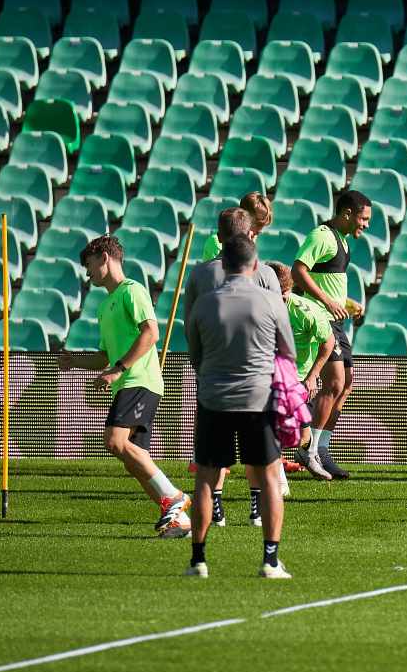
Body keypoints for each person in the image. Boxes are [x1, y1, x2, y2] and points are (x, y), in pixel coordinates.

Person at [58, 235, 191, 538]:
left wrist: (118, 370)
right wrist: (74, 361)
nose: (87, 273)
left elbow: (151, 333)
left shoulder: (132, 290)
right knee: (134, 461)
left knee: (114, 442)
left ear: (104, 258)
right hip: (128, 382)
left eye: (89, 264)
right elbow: (105, 356)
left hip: (140, 380)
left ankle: (175, 497)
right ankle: (180, 521)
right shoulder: (104, 305)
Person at [185, 235, 296, 579]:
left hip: (213, 399)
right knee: (269, 477)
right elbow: (288, 353)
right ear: (255, 264)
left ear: (223, 264)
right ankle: (270, 560)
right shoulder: (271, 301)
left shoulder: (204, 303)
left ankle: (198, 560)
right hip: (258, 400)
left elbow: (195, 356)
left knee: (206, 478)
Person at [183, 205, 284, 525]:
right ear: (251, 234)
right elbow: (279, 326)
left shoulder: (200, 274)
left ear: (219, 235)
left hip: (213, 375)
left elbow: (190, 326)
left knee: (213, 455)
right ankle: (256, 507)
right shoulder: (265, 273)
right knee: (259, 451)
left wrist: (200, 365)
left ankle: (215, 507)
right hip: (257, 378)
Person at [291, 190, 371, 480]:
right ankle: (308, 450)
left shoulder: (343, 241)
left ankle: (322, 449)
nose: (366, 225)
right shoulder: (322, 236)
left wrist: (346, 304)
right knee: (335, 382)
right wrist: (327, 301)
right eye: (363, 219)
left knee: (346, 383)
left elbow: (326, 282)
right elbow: (298, 271)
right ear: (347, 213)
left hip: (336, 322)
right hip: (320, 321)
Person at [269, 261, 334, 481]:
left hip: (298, 377)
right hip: (267, 375)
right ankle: (275, 478)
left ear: (288, 290)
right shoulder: (256, 306)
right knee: (269, 427)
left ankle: (306, 453)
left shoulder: (306, 311)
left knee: (301, 434)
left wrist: (313, 376)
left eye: (282, 296)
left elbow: (328, 342)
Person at [200, 191, 274, 261]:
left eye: (264, 224)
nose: (260, 230)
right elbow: (214, 268)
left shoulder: (253, 240)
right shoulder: (217, 242)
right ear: (243, 217)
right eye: (258, 223)